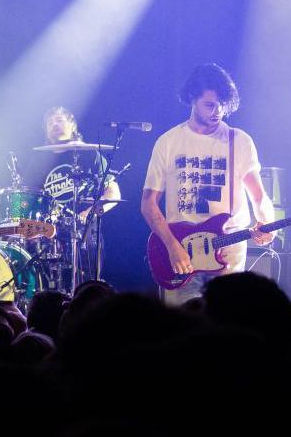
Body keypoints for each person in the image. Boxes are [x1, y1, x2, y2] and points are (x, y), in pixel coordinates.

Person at [141, 63, 274, 305]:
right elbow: (148, 204)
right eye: (210, 105)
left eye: (222, 105)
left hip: (228, 246)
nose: (217, 112)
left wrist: (267, 222)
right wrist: (172, 246)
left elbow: (258, 196)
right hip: (181, 248)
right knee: (181, 328)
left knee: (226, 324)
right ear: (193, 98)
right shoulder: (169, 142)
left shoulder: (239, 141)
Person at [21, 106, 122, 286]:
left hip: (85, 232)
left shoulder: (90, 154)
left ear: (73, 126)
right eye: (50, 122)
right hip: (49, 234)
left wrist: (89, 213)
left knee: (88, 287)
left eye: (59, 120)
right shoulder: (39, 160)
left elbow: (113, 192)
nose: (54, 124)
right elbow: (28, 197)